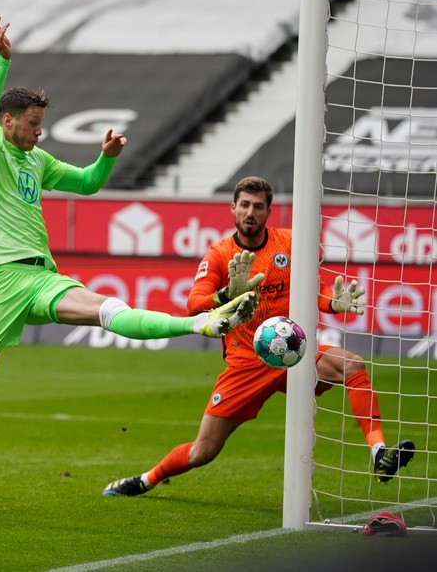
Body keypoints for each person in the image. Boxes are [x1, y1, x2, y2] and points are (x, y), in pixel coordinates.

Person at [0, 16, 259, 492]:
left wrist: (107, 157)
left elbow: (88, 183)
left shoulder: (37, 161)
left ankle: (198, 325)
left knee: (106, 309)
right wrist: (1, 62)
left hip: (40, 277)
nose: (40, 133)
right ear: (9, 121)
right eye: (33, 124)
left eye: (42, 124)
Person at [102, 176, 415, 498]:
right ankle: (146, 479)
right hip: (245, 363)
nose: (250, 212)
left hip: (294, 351)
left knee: (352, 364)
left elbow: (315, 291)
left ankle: (379, 452)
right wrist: (226, 294)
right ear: (233, 208)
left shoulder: (290, 244)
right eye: (245, 205)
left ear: (268, 212)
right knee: (203, 451)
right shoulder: (220, 254)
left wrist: (334, 303)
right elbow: (194, 304)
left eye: (258, 207)